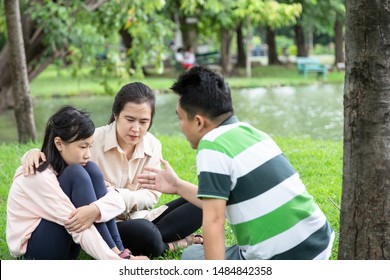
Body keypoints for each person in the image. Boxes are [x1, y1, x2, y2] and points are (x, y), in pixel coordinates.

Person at [137, 66, 335, 260]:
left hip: (278, 259)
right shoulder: (253, 133)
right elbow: (220, 201)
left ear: (198, 122)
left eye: (180, 118)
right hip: (319, 244)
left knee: (191, 256)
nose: (180, 126)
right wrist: (177, 185)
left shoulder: (211, 144)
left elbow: (214, 220)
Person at [22, 83, 203, 258]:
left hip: (141, 217)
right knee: (147, 234)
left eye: (143, 122)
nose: (136, 128)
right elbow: (56, 161)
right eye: (130, 119)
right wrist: (32, 153)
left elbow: (150, 196)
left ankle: (155, 239)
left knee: (202, 202)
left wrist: (117, 194)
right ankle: (171, 244)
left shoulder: (153, 145)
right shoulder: (92, 140)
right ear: (116, 115)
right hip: (105, 224)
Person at [6, 106, 146, 260]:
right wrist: (117, 263)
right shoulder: (38, 175)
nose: (88, 154)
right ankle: (117, 255)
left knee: (91, 169)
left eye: (89, 146)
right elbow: (76, 224)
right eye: (82, 146)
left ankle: (118, 250)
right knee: (77, 174)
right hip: (34, 252)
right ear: (59, 144)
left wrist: (95, 209)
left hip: (62, 245)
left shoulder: (72, 168)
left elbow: (117, 201)